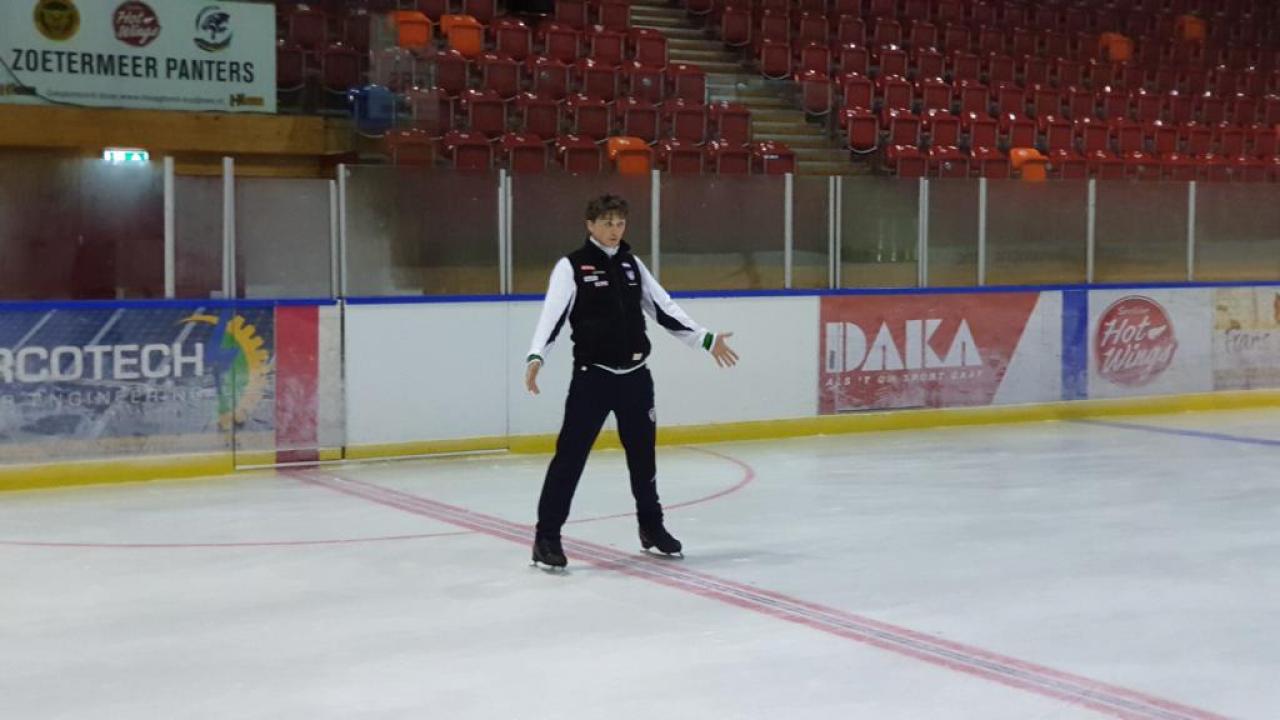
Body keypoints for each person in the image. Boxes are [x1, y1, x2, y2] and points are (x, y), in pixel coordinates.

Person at [525, 194, 739, 569]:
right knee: (570, 458)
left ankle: (651, 527)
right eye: (607, 223)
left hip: (636, 380)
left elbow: (663, 308)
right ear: (590, 225)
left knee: (643, 459)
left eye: (620, 223)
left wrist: (705, 339)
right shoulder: (571, 266)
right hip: (593, 379)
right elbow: (553, 316)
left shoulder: (632, 264)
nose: (614, 230)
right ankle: (547, 538)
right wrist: (537, 355)